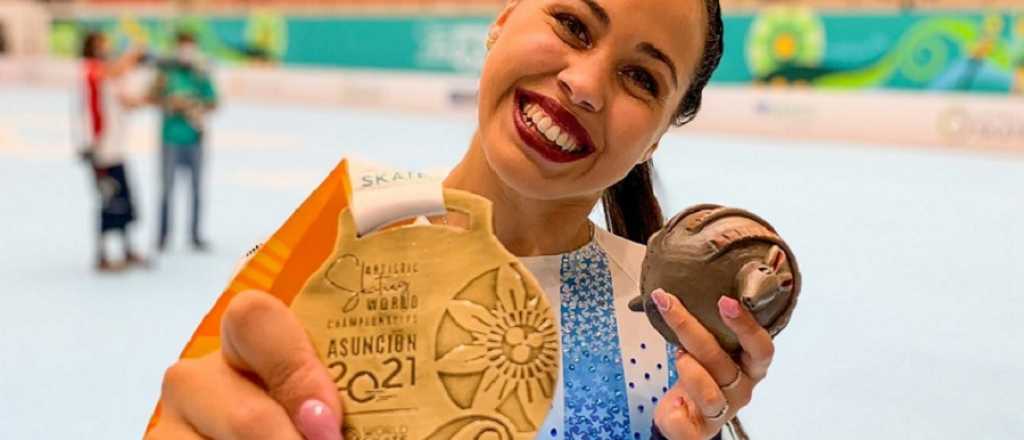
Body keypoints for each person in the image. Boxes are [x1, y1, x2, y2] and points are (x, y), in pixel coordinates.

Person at [148, 1, 776, 440]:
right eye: (573, 25)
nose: (584, 84)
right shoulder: (312, 258)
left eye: (641, 77)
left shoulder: (670, 330)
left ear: (657, 139)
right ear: (501, 21)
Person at [78, 31, 147, 271]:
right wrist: (133, 53)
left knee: (126, 201)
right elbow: (112, 70)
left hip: (116, 149)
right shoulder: (90, 69)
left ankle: (126, 249)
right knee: (108, 202)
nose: (106, 49)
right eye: (102, 44)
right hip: (100, 150)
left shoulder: (108, 77)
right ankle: (102, 254)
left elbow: (128, 100)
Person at [149, 31, 218, 252]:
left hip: (195, 139)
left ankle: (195, 235)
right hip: (171, 138)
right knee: (167, 189)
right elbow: (151, 97)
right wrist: (171, 102)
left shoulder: (200, 74)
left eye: (191, 47)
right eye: (183, 47)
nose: (187, 52)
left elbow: (214, 102)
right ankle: (163, 236)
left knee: (197, 189)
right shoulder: (165, 73)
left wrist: (194, 106)